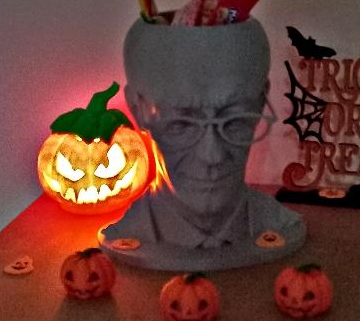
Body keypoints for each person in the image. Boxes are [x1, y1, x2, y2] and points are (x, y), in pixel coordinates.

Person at [100, 16, 305, 270]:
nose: (212, 155)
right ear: (137, 108)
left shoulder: (280, 225)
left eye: (234, 120)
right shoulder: (128, 234)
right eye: (181, 125)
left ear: (260, 102)